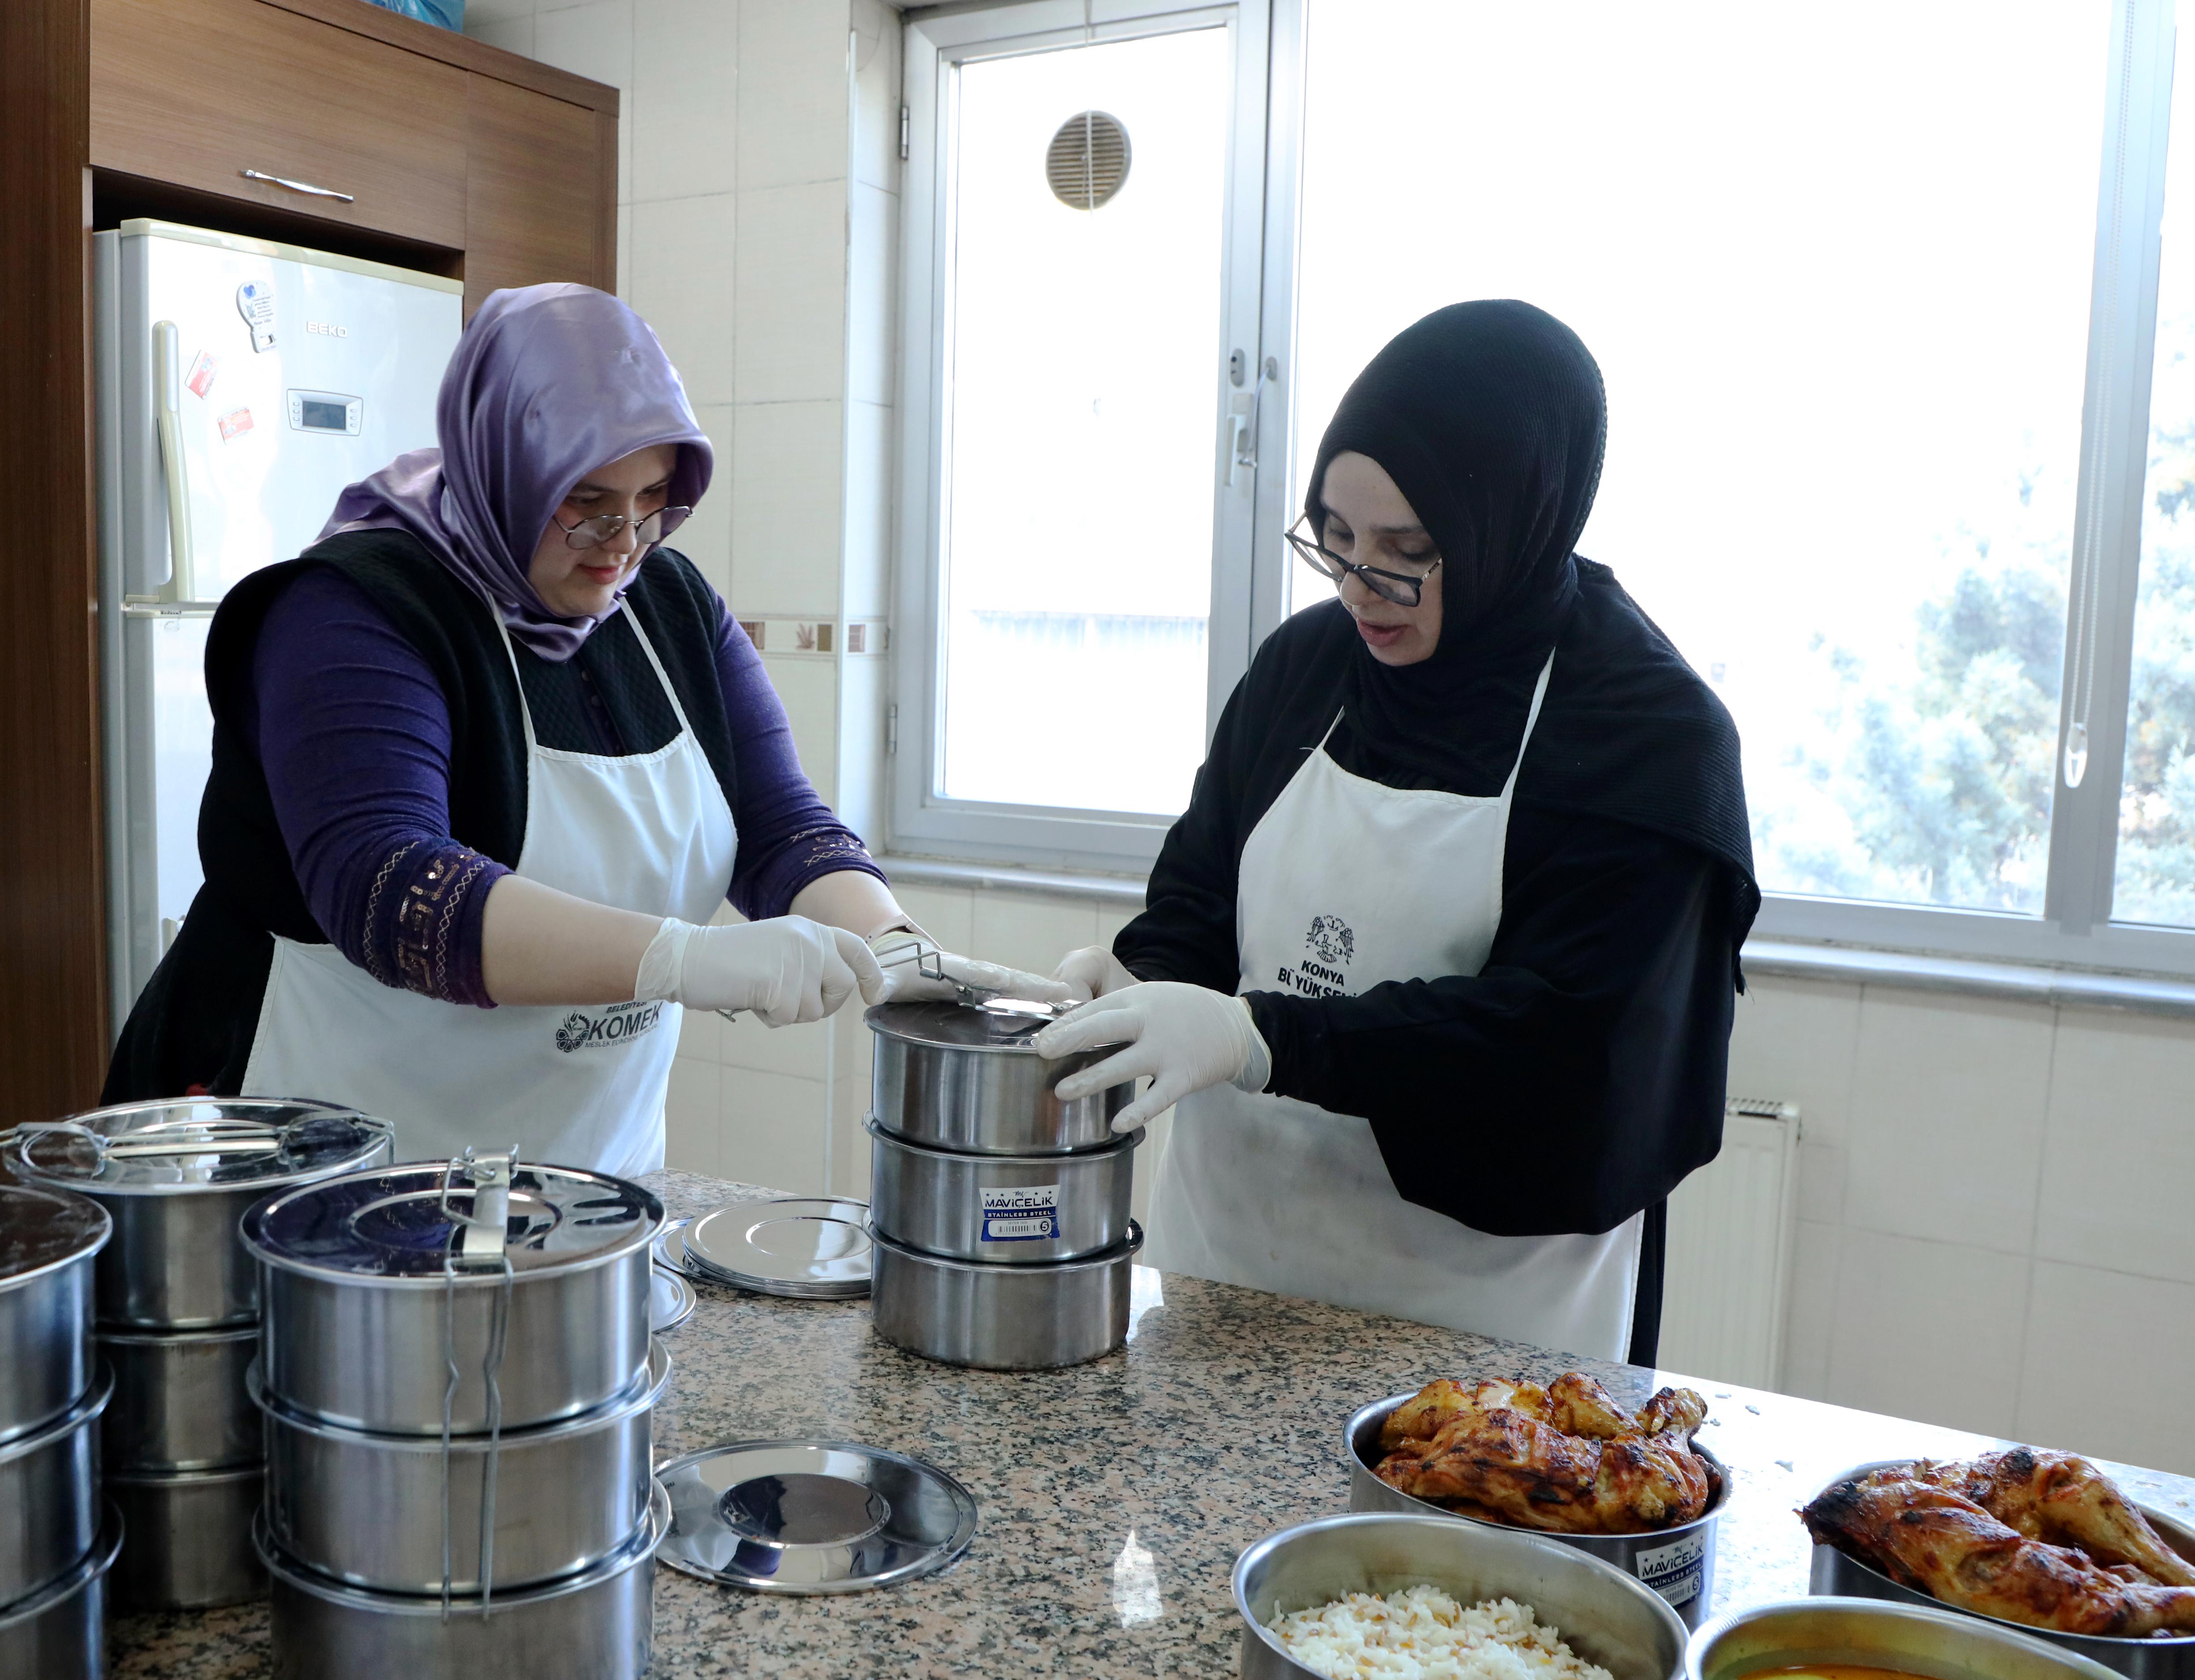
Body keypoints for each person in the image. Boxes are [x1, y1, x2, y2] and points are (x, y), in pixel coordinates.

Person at [105, 284, 1057, 1172]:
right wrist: (680, 958)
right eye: (588, 505)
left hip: (577, 1180)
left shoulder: (668, 606)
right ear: (503, 468)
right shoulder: (352, 613)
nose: (624, 547)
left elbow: (780, 825)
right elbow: (390, 889)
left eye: (653, 504)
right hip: (328, 1156)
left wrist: (890, 943)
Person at [1033, 300, 1758, 1364]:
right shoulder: (1306, 669)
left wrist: (1263, 1038)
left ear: (1513, 522)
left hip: (1480, 1334)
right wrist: (1141, 982)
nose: (1359, 585)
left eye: (1408, 550)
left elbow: (1562, 1049)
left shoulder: (1642, 736)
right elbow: (1200, 889)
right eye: (1335, 535)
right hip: (1232, 1269)